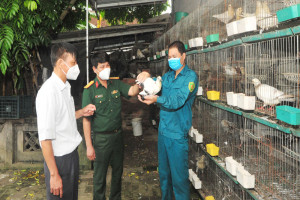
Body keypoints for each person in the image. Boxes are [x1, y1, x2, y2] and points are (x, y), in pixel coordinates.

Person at [137, 41, 199, 200]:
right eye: (169, 57)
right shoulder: (167, 76)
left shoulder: (190, 77)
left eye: (174, 56)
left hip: (178, 135)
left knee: (179, 180)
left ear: (183, 56)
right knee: (164, 177)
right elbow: (155, 87)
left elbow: (178, 100)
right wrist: (144, 84)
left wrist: (157, 99)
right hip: (164, 133)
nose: (171, 59)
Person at [36, 42, 96, 200]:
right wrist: (54, 175)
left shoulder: (65, 86)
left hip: (71, 156)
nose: (76, 67)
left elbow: (65, 117)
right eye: (73, 63)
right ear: (60, 63)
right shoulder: (48, 93)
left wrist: (82, 112)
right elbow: (45, 139)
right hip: (59, 160)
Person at [82, 52, 140, 200]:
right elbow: (86, 120)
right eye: (102, 67)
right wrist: (89, 145)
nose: (106, 68)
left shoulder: (116, 83)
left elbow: (132, 91)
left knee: (117, 173)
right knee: (99, 176)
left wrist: (142, 82)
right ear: (94, 69)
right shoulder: (89, 90)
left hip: (117, 137)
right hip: (101, 140)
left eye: (107, 65)